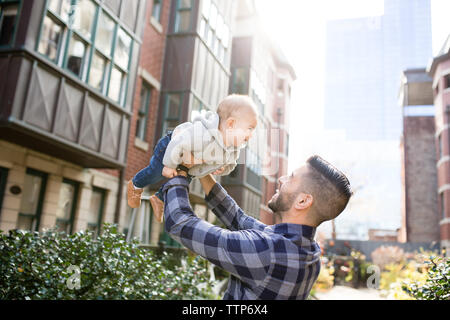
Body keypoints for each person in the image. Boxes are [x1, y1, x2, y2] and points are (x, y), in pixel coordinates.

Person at [159, 155, 352, 299]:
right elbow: (238, 219)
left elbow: (179, 222)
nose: (282, 179)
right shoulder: (310, 252)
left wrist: (181, 170)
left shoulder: (267, 251)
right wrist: (203, 171)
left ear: (302, 200)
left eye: (291, 178)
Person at [127, 94, 258, 223]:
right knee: (156, 172)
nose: (251, 135)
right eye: (249, 129)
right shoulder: (202, 132)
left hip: (191, 166)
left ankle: (159, 199)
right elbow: (178, 143)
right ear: (231, 124)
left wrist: (223, 169)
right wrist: (169, 165)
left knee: (183, 181)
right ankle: (135, 185)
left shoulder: (234, 149)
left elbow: (231, 164)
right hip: (171, 146)